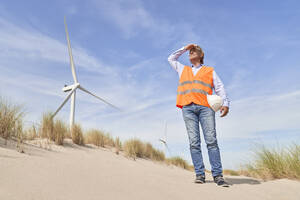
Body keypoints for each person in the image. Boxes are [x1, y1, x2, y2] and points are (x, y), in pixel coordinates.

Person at [168, 44, 230, 187]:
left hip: (205, 108)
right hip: (188, 108)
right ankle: (200, 174)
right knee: (194, 142)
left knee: (211, 141)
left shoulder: (210, 71)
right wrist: (185, 47)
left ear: (201, 55)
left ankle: (218, 175)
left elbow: (219, 87)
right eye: (190, 52)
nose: (191, 52)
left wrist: (225, 103)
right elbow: (171, 58)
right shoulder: (183, 69)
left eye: (194, 51)